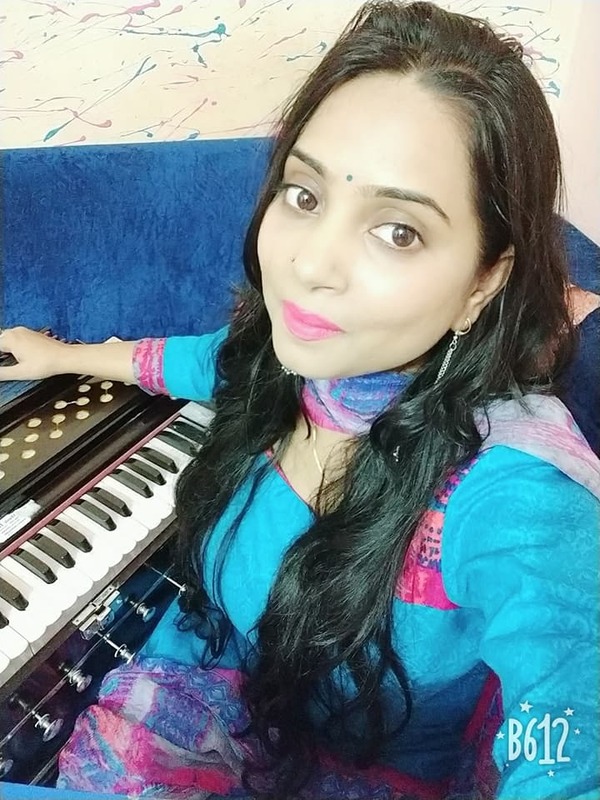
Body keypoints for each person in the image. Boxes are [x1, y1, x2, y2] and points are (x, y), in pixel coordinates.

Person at [1, 1, 599, 798]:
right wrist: (63, 356)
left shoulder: (517, 495)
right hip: (220, 694)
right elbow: (202, 361)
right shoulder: (293, 360)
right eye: (305, 196)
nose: (309, 264)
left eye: (398, 231)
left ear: (482, 282)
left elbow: (574, 734)